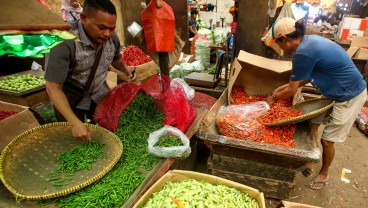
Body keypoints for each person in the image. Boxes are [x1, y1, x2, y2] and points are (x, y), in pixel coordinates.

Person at [266, 17, 367, 190]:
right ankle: (310, 159)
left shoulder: (303, 53)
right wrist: (281, 88)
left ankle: (324, 174)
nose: (279, 47)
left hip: (349, 95)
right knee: (313, 121)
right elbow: (304, 78)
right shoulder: (309, 43)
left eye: (278, 42)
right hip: (335, 91)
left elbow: (292, 89)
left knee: (328, 140)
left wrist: (273, 99)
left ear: (284, 38)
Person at [45, 0, 135, 141]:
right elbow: (53, 88)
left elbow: (115, 58)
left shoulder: (112, 38)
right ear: (84, 18)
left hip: (98, 93)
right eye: (102, 27)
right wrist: (74, 122)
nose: (107, 34)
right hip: (70, 99)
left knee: (105, 134)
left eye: (112, 28)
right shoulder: (64, 41)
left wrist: (126, 70)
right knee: (74, 140)